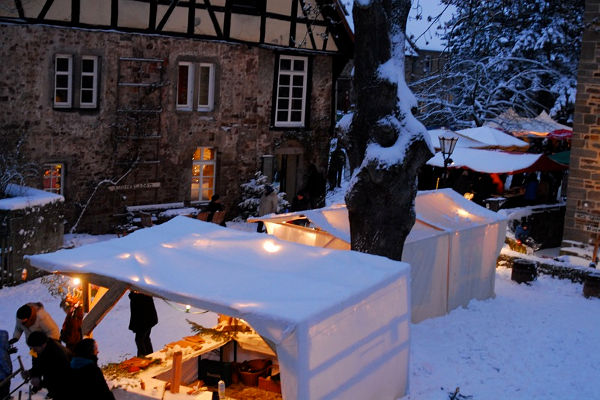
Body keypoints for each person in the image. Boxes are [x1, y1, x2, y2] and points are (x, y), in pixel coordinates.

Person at [26, 331, 72, 400]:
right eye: (31, 348)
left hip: (66, 386)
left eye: (34, 348)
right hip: (55, 385)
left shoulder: (57, 353)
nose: (33, 351)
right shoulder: (37, 349)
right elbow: (36, 363)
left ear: (43, 345)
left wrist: (40, 383)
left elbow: (56, 377)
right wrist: (31, 373)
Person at [128, 291, 158, 357]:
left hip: (144, 321)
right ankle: (149, 356)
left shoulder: (142, 295)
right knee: (145, 338)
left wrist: (133, 295)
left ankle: (143, 358)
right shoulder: (144, 294)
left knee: (139, 339)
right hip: (147, 320)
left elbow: (139, 304)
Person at [0, 330, 13, 400]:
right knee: (5, 387)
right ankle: (5, 397)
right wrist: (9, 371)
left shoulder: (2, 348)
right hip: (3, 375)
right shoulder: (1, 351)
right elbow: (4, 362)